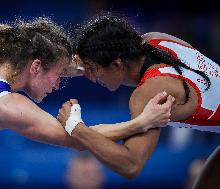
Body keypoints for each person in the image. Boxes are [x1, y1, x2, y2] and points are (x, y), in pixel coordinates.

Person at [0, 17, 173, 150]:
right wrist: (142, 122)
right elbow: (80, 137)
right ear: (36, 67)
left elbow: (53, 58)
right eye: (59, 75)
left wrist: (109, 59)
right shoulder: (6, 106)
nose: (58, 84)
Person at [57, 13, 220, 182]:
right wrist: (82, 64)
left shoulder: (149, 93)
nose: (90, 77)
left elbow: (131, 165)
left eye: (92, 69)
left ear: (116, 64)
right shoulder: (155, 40)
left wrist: (76, 127)